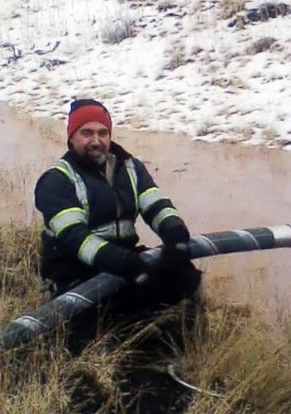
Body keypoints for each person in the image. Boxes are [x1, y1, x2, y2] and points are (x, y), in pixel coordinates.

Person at [34, 98, 201, 305]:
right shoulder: (57, 181)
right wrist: (127, 264)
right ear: (71, 138)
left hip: (123, 261)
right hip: (74, 273)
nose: (96, 141)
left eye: (102, 133)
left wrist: (176, 236)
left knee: (185, 277)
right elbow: (76, 239)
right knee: (119, 311)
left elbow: (157, 207)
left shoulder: (131, 167)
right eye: (86, 133)